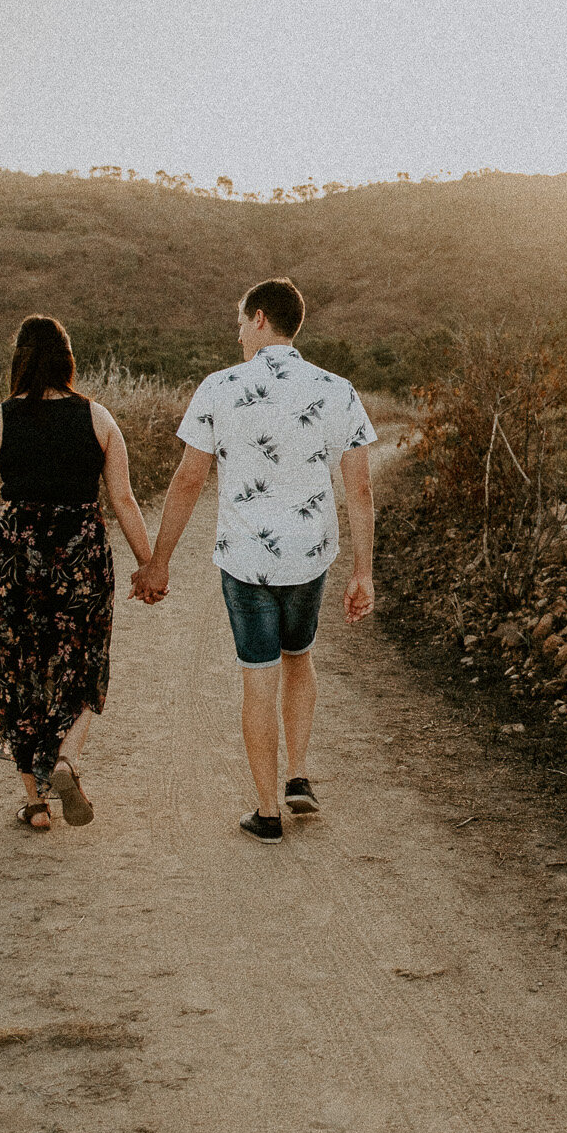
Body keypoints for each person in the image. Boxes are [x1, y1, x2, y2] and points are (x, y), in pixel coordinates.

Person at [131, 278, 375, 841]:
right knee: (300, 657)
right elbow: (359, 489)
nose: (238, 332)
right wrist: (362, 571)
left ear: (260, 318)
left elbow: (190, 477)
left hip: (245, 562)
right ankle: (297, 776)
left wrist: (158, 563)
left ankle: (267, 813)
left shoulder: (219, 387)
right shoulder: (337, 389)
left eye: (241, 321)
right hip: (309, 558)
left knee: (257, 679)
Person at [0, 315, 155, 830]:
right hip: (81, 556)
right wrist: (149, 564)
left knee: (18, 672)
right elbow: (125, 500)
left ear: (19, 360)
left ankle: (36, 804)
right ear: (69, 360)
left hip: (12, 560)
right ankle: (65, 759)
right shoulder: (99, 419)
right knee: (83, 661)